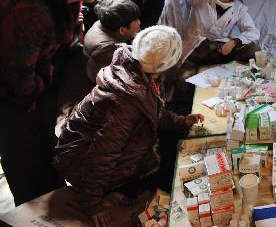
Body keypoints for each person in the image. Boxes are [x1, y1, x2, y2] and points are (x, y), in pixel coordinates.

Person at [53, 26, 204, 226]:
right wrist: (92, 203)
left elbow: (153, 111)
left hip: (98, 153)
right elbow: (103, 153)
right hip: (85, 166)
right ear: (164, 65)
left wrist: (180, 121)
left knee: (179, 148)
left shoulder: (134, 65)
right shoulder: (127, 103)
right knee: (172, 174)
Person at [0, 0, 113, 206]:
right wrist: (37, 90)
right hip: (14, 95)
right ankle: (32, 214)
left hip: (38, 87)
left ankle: (53, 203)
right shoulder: (31, 6)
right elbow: (17, 73)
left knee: (45, 150)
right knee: (25, 158)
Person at [171, 0, 260, 65]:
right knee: (204, 49)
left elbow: (252, 32)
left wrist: (233, 42)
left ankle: (218, 63)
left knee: (253, 49)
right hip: (195, 47)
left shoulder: (239, 9)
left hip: (218, 48)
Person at [85, 0, 141, 82]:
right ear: (122, 30)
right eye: (136, 19)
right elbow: (120, 80)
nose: (139, 22)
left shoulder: (101, 23)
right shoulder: (108, 49)